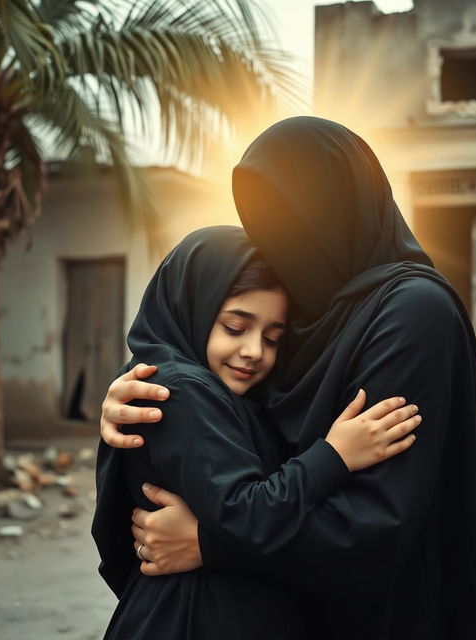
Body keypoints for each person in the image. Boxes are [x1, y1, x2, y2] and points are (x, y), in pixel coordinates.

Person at [101, 117, 476, 639]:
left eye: (298, 217)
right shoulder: (307, 320)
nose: (283, 243)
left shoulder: (411, 313)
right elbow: (230, 427)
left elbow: (379, 521)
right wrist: (129, 405)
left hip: (391, 612)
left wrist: (210, 542)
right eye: (267, 222)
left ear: (347, 207)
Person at [92, 225, 420, 639]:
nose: (254, 351)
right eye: (235, 327)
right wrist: (335, 455)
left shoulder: (221, 394)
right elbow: (246, 514)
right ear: (193, 306)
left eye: (272, 337)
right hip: (193, 617)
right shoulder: (178, 389)